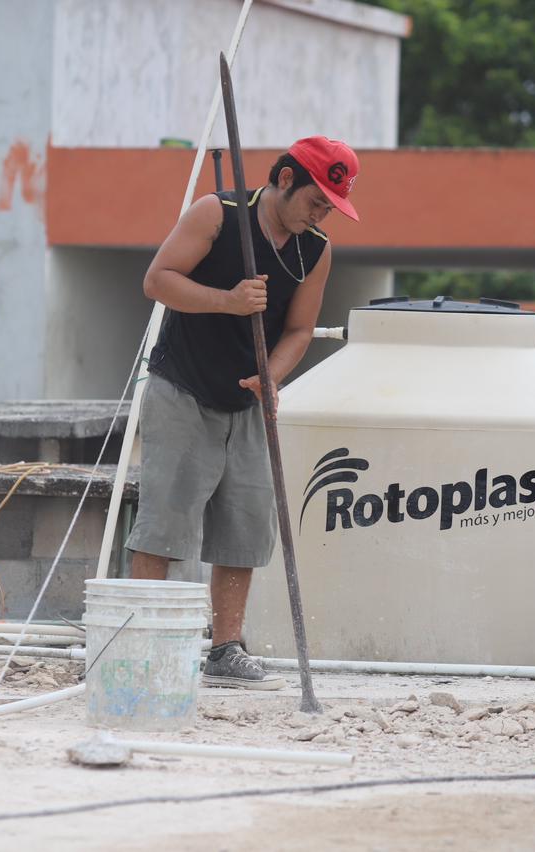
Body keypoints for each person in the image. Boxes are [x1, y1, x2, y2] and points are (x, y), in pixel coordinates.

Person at [126, 136, 360, 689]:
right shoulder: (218, 214)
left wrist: (272, 376)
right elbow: (157, 281)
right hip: (183, 387)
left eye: (331, 205)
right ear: (284, 180)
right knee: (166, 520)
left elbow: (300, 329)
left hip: (249, 401)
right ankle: (142, 640)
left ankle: (226, 646)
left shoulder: (315, 249)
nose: (321, 212)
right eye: (316, 199)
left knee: (247, 523)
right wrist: (227, 300)